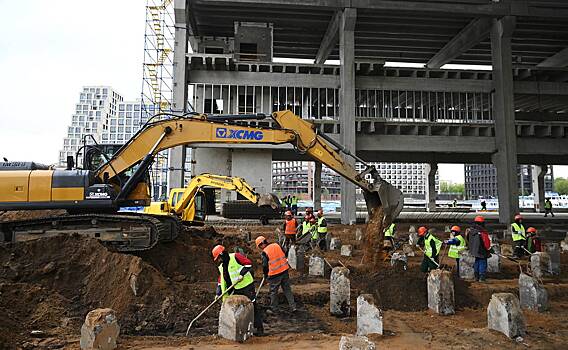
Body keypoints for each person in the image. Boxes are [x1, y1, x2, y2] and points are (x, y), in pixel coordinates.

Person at [212, 245, 264, 335]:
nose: (219, 260)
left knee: (252, 306)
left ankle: (259, 328)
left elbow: (248, 263)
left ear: (222, 254)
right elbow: (221, 281)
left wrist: (241, 274)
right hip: (236, 289)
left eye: (219, 258)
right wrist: (218, 293)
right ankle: (241, 329)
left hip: (246, 286)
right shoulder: (221, 266)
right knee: (238, 310)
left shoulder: (235, 257)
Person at [255, 236, 297, 313]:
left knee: (273, 292)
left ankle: (274, 308)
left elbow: (265, 265)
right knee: (287, 290)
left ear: (261, 244)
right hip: (284, 270)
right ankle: (293, 306)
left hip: (275, 275)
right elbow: (284, 253)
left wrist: (265, 274)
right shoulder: (277, 245)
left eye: (259, 246)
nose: (260, 248)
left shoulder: (265, 252)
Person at [468, 216, 491, 282]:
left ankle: (476, 276)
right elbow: (486, 243)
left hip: (474, 251)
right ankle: (482, 277)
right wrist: (489, 249)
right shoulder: (482, 232)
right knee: (482, 263)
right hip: (482, 250)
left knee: (477, 262)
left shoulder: (471, 231)